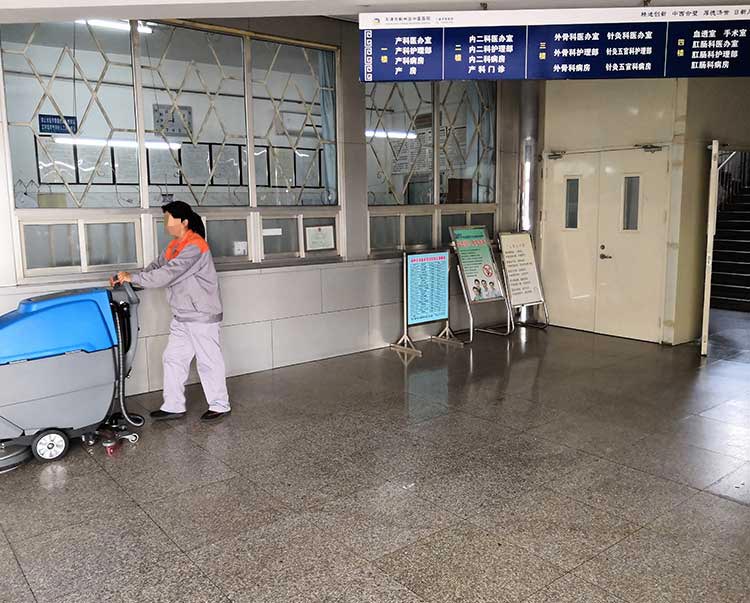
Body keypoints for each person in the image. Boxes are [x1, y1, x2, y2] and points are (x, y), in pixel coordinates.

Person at [112, 201, 230, 422]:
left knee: (208, 361)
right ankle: (174, 406)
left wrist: (134, 278)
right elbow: (156, 268)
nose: (166, 223)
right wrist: (129, 280)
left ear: (183, 221)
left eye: (168, 218)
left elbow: (169, 273)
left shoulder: (195, 246)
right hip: (182, 315)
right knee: (173, 358)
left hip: (201, 315)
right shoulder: (174, 245)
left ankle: (220, 404)